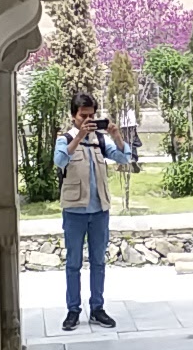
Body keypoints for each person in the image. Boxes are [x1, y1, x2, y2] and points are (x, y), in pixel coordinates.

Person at [53, 92, 133, 330]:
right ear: (73, 116)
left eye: (92, 115)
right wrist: (79, 136)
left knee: (98, 261)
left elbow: (124, 157)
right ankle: (73, 310)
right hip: (74, 211)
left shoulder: (100, 140)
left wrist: (117, 136)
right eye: (83, 115)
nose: (88, 119)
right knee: (73, 263)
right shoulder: (65, 138)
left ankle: (97, 308)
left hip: (99, 210)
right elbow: (59, 160)